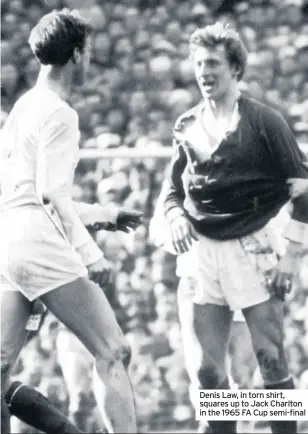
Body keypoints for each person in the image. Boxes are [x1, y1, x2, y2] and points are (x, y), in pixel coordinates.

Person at [160, 22, 308, 434]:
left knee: (271, 361)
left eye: (214, 63)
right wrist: (174, 217)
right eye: (199, 63)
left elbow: (305, 192)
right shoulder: (186, 125)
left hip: (253, 246)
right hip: (201, 252)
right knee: (208, 375)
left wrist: (292, 258)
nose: (205, 71)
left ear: (235, 69)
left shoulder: (264, 122)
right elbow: (171, 192)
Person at [0, 9, 141, 434]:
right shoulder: (61, 113)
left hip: (9, 240)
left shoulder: (24, 107)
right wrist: (90, 251)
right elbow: (48, 194)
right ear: (77, 55)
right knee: (113, 350)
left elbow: (27, 194)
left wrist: (103, 215)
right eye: (90, 51)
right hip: (39, 241)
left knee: (1, 366)